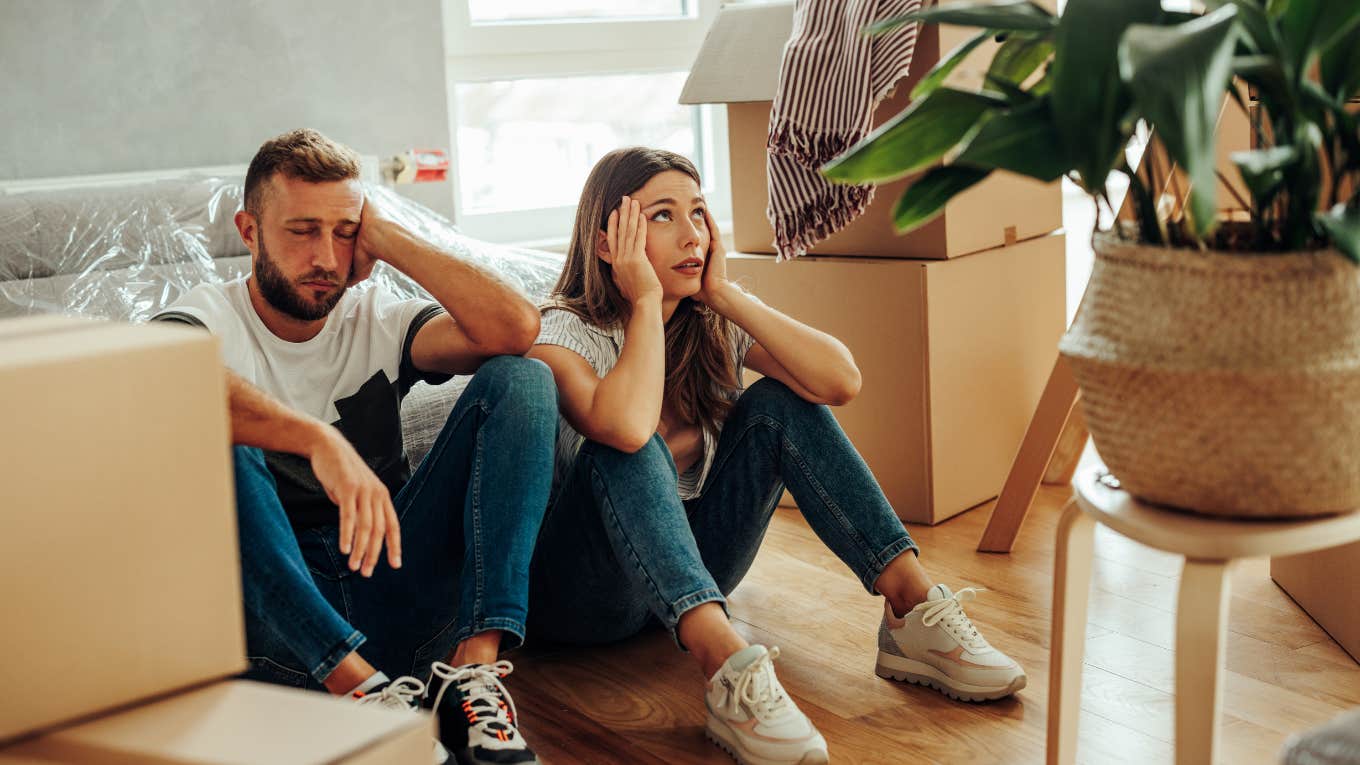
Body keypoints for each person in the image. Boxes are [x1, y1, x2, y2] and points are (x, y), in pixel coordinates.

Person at [525, 147, 1026, 765]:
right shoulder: (560, 331)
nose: (693, 235)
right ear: (608, 244)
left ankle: (912, 608)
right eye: (662, 216)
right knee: (627, 446)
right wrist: (645, 304)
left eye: (699, 213)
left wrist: (727, 296)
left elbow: (840, 381)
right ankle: (728, 665)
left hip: (698, 574)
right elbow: (626, 429)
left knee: (781, 402)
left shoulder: (709, 324)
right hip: (583, 597)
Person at [153, 129, 555, 765]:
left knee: (523, 379)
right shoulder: (208, 317)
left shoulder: (376, 315)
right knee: (214, 435)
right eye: (302, 230)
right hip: (276, 617)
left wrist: (389, 240)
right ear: (250, 230)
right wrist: (316, 440)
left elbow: (515, 330)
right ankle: (358, 695)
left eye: (343, 232)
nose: (326, 257)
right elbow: (162, 379)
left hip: (388, 578)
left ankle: (472, 672)